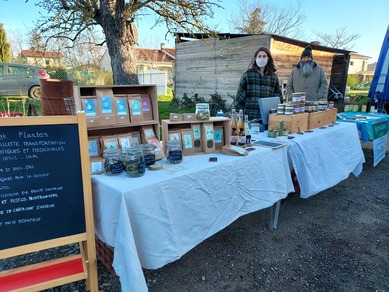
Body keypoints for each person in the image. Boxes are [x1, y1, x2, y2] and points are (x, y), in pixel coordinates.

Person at [235, 47, 283, 121]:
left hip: (267, 118)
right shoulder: (248, 75)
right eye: (259, 56)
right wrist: (239, 115)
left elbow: (278, 98)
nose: (261, 58)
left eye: (264, 56)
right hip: (250, 117)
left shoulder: (273, 77)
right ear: (255, 58)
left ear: (268, 58)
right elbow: (240, 97)